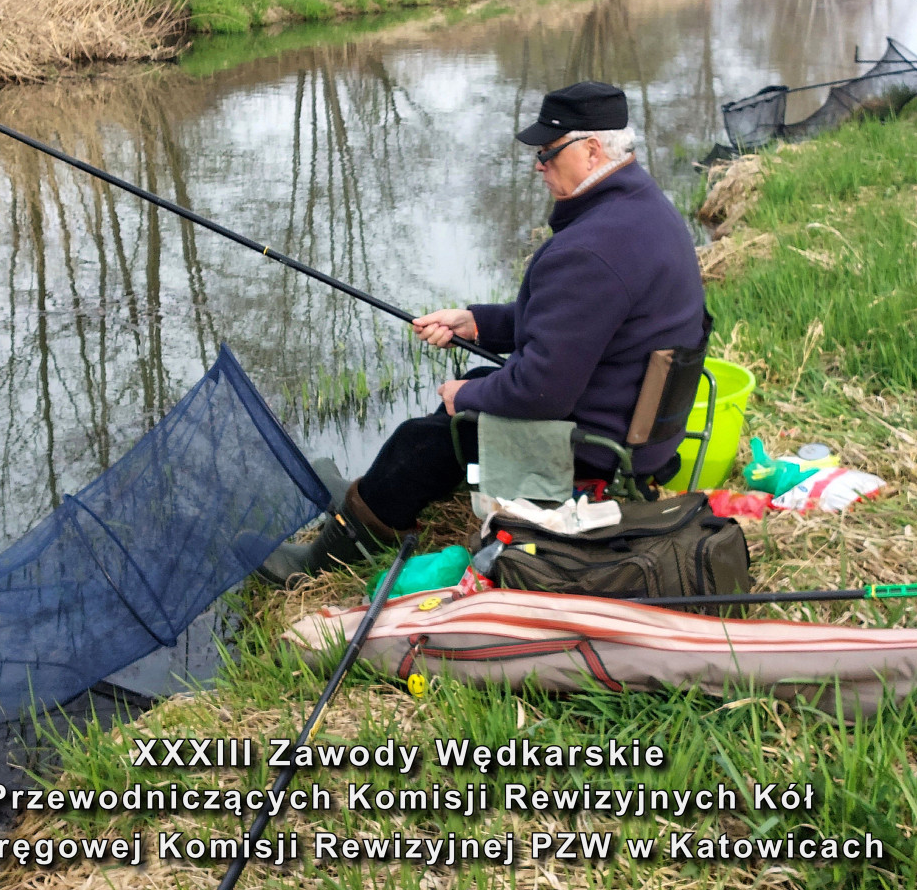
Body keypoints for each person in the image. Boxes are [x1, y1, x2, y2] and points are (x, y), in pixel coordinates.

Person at [256, 81, 707, 583]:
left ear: (592, 150)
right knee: (464, 401)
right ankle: (371, 498)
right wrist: (476, 322)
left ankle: (328, 560)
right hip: (634, 426)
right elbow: (574, 323)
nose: (538, 165)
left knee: (421, 442)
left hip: (597, 450)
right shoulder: (641, 209)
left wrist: (465, 396)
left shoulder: (591, 249)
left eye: (547, 152)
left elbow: (541, 392)